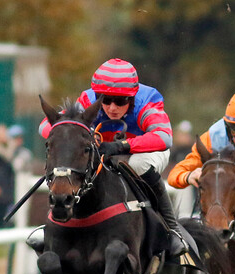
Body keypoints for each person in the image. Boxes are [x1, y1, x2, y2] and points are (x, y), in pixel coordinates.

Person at [38, 58, 185, 256]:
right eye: (106, 100)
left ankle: (172, 228)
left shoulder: (147, 101)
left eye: (121, 101)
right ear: (97, 96)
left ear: (132, 98)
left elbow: (163, 137)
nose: (112, 108)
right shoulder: (88, 100)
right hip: (105, 150)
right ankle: (57, 226)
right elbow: (46, 127)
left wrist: (122, 146)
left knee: (138, 165)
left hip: (146, 151)